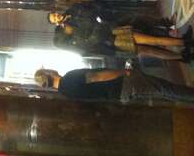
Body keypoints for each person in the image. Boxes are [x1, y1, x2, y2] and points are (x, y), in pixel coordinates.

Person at [50, 4, 185, 60]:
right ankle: (182, 45)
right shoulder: (76, 38)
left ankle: (175, 38)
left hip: (111, 25)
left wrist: (99, 15)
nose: (57, 16)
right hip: (112, 37)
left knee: (143, 26)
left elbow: (90, 10)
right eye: (54, 18)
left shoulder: (72, 13)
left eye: (55, 14)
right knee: (149, 44)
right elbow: (94, 38)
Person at [35, 67, 194, 104]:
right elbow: (97, 76)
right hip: (122, 83)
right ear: (50, 73)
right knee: (165, 88)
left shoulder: (66, 93)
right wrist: (122, 72)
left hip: (119, 96)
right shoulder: (69, 77)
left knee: (164, 93)